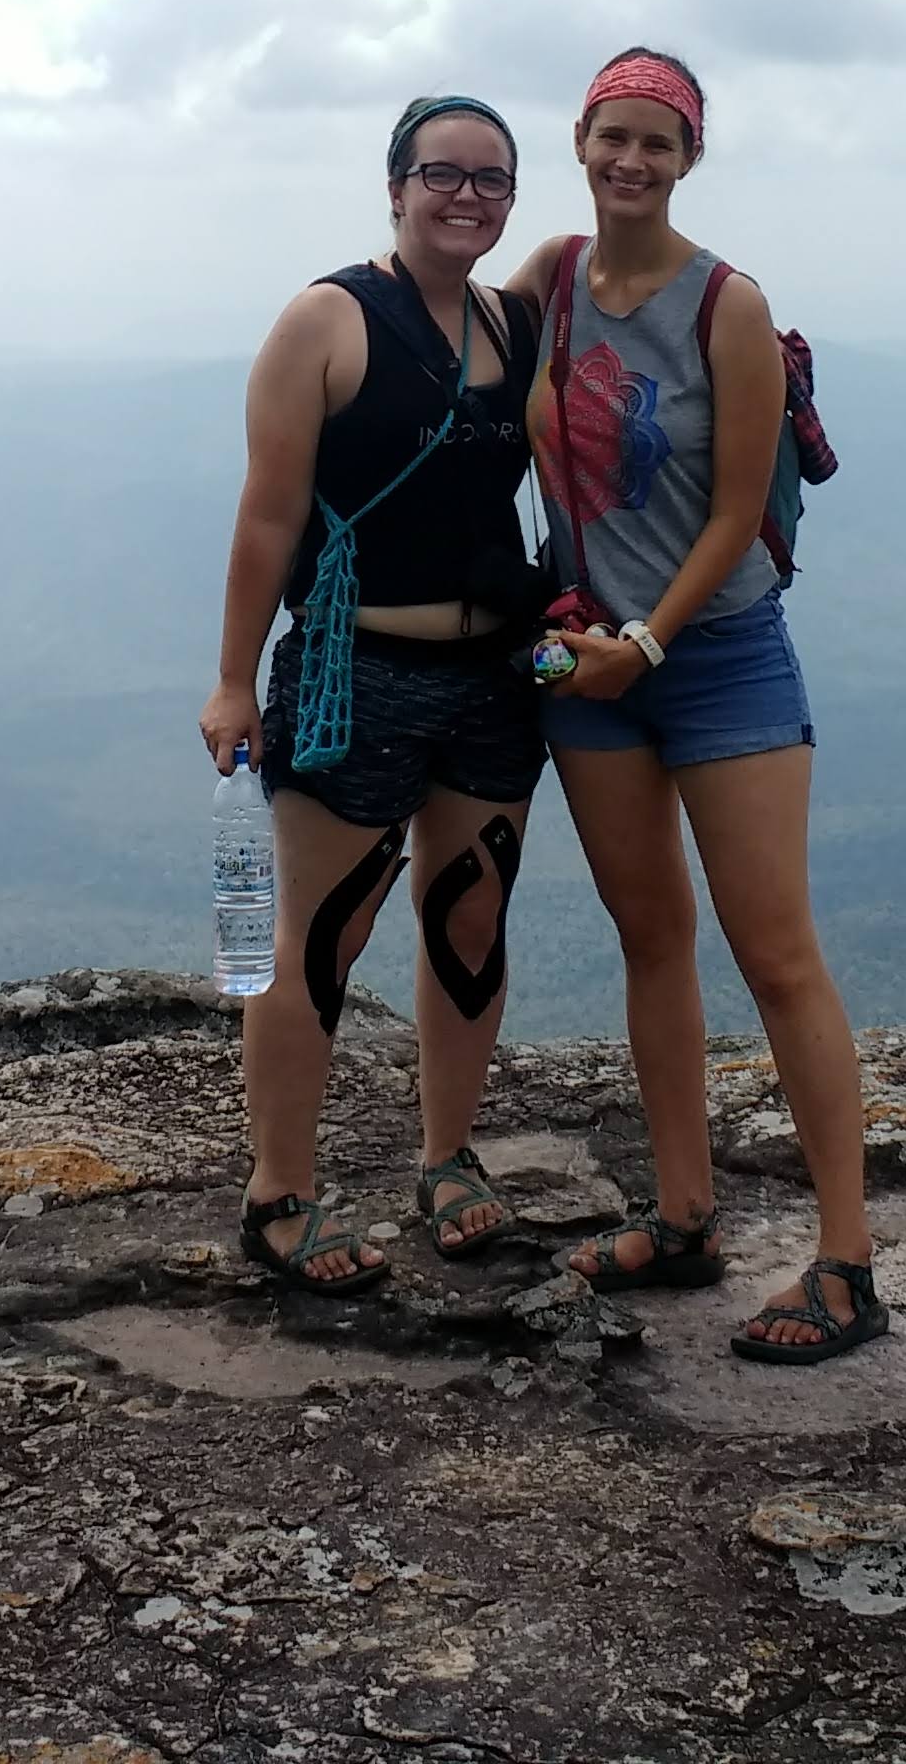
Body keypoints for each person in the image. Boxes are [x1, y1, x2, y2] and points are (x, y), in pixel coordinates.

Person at [522, 47, 884, 1363]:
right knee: (651, 938)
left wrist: (648, 643)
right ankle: (683, 1218)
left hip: (715, 652)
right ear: (580, 140)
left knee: (775, 953)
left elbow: (736, 511)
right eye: (612, 137)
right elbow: (457, 363)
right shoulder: (551, 280)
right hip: (586, 664)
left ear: (685, 160)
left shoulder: (726, 305)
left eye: (656, 143)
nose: (630, 161)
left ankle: (846, 1265)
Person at [197, 95, 549, 1293]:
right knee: (324, 933)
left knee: (468, 918)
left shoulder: (513, 323)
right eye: (441, 174)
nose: (465, 197)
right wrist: (233, 680)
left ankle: (448, 1159)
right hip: (356, 671)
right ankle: (278, 1195)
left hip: (494, 673)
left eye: (490, 179)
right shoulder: (328, 320)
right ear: (394, 187)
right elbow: (266, 516)